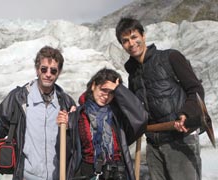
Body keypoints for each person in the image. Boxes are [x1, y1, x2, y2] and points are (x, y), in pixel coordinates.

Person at [115, 17, 205, 180]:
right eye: (125, 41)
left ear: (143, 36)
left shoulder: (170, 57)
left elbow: (195, 89)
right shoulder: (133, 75)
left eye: (134, 37)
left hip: (179, 140)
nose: (131, 43)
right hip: (153, 145)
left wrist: (187, 113)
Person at [0, 46, 76, 180]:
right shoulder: (19, 98)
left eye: (53, 71)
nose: (48, 74)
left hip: (58, 176)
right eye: (44, 69)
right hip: (26, 176)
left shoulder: (66, 102)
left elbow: (78, 138)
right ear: (37, 70)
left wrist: (71, 123)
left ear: (58, 72)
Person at [56, 68, 148, 180]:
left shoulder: (118, 116)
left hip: (116, 173)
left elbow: (141, 118)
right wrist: (65, 126)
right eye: (104, 90)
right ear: (93, 86)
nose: (106, 96)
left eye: (111, 93)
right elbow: (65, 151)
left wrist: (120, 89)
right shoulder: (78, 115)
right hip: (87, 173)